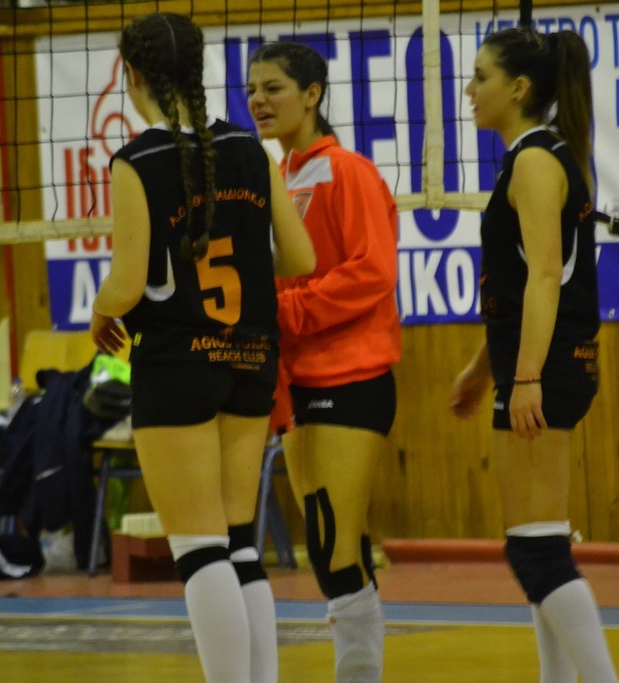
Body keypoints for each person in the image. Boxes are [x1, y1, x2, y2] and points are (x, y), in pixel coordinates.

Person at [90, 13, 315, 683]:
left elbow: (127, 283)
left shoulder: (136, 162)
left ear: (132, 74)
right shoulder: (251, 150)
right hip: (250, 359)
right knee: (239, 545)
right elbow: (300, 259)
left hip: (178, 364)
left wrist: (101, 310)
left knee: (198, 548)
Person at [450, 28, 619, 683]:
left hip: (547, 371)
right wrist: (482, 368)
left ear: (519, 88)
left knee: (535, 552)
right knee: (539, 543)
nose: (470, 89)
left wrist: (524, 377)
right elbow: (522, 287)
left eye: (481, 76)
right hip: (543, 365)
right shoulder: (537, 156)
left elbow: (547, 277)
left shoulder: (536, 162)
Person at [247, 42, 401, 682]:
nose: (258, 100)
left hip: (351, 376)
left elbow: (374, 271)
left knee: (337, 549)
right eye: (252, 89)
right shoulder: (274, 180)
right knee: (328, 545)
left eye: (273, 88)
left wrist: (287, 310)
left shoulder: (348, 171)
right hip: (296, 380)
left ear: (312, 95)